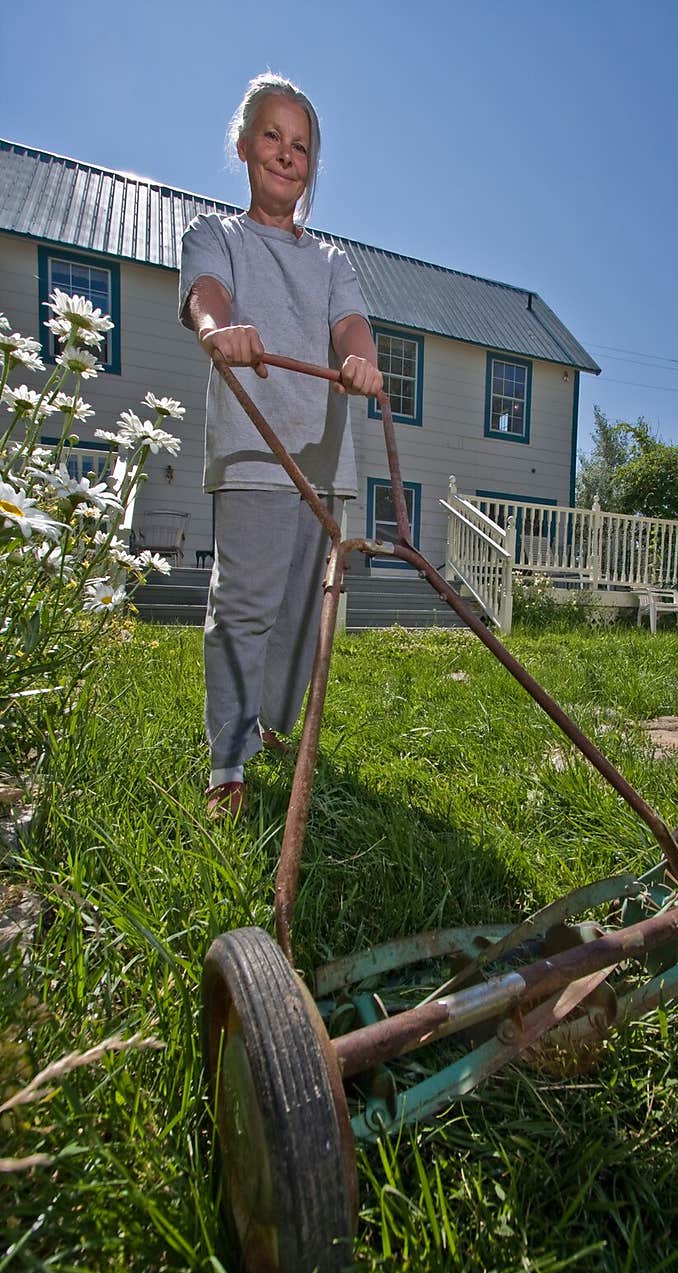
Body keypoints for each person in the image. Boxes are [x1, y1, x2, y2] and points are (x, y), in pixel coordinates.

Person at [178, 72, 383, 819]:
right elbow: (207, 291)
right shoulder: (217, 235)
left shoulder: (330, 260)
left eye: (301, 146)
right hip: (254, 452)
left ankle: (272, 725)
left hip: (324, 461)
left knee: (303, 615)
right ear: (243, 146)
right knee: (245, 607)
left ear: (312, 165)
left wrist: (360, 357)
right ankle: (227, 760)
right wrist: (216, 331)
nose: (286, 155)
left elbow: (349, 325)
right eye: (272, 136)